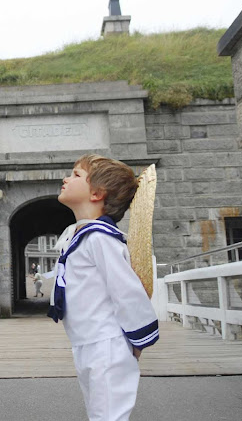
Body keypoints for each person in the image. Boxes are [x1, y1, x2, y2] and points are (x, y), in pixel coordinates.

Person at [48, 154, 158, 421]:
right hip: (86, 342)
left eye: (75, 175)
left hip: (106, 343)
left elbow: (126, 290)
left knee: (108, 415)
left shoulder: (100, 238)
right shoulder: (81, 235)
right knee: (99, 413)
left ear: (97, 193)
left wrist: (137, 339)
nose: (66, 178)